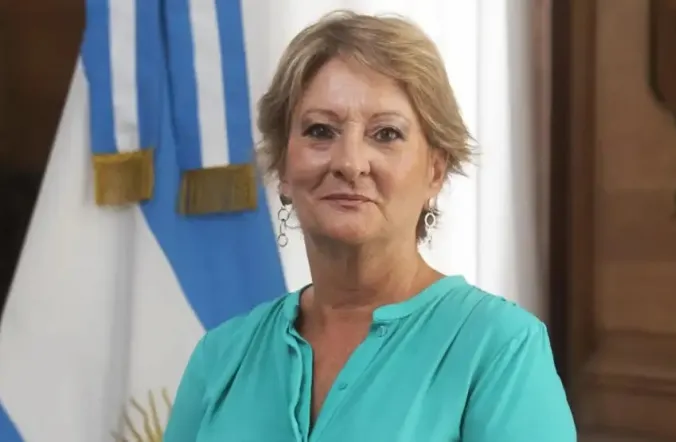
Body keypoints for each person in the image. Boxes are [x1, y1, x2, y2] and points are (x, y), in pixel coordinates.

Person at [164, 10, 576, 441]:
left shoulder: (499, 347)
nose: (349, 162)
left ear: (435, 171)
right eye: (320, 130)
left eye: (386, 134)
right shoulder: (221, 357)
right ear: (283, 165)